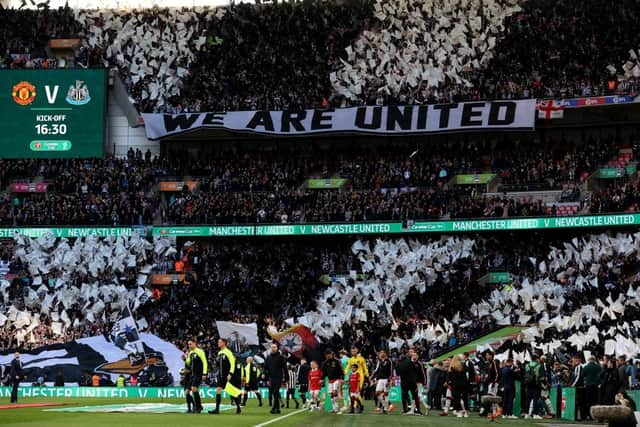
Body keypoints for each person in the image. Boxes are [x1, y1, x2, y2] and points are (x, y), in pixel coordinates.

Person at [209, 338, 240, 414]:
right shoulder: (219, 353)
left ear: (224, 343)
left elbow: (232, 364)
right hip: (220, 375)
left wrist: (230, 373)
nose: (218, 343)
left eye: (219, 342)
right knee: (218, 390)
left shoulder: (228, 352)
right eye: (218, 342)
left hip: (227, 375)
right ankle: (217, 409)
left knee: (232, 392)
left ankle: (238, 407)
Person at [264, 343, 287, 414]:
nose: (273, 348)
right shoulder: (268, 357)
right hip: (271, 378)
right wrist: (267, 379)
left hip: (278, 378)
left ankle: (274, 408)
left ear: (277, 348)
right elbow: (265, 368)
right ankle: (278, 409)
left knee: (276, 392)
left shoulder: (281, 357)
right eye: (272, 347)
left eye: (274, 347)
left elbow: (285, 368)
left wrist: (286, 379)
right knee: (275, 394)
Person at [186, 338, 208, 414]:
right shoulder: (190, 353)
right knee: (187, 392)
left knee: (194, 388)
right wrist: (185, 358)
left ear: (195, 343)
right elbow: (188, 363)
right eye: (188, 344)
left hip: (198, 373)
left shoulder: (200, 351)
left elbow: (205, 362)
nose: (189, 345)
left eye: (190, 344)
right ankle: (195, 405)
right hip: (192, 374)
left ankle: (198, 407)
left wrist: (204, 373)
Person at [396, 351, 422, 416]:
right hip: (412, 381)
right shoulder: (410, 362)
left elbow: (397, 373)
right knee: (415, 396)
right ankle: (418, 411)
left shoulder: (398, 364)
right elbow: (415, 370)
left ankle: (405, 410)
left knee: (404, 396)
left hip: (404, 382)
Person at [348, 347, 369, 411]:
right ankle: (357, 406)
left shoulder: (361, 359)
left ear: (357, 351)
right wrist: (345, 373)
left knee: (357, 392)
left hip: (360, 376)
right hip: (353, 376)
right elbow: (348, 367)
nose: (353, 352)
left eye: (354, 351)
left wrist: (367, 374)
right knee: (352, 393)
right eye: (352, 351)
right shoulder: (350, 359)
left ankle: (355, 406)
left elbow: (365, 367)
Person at [523, 353, 543, 419]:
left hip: (528, 385)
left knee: (527, 400)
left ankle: (526, 414)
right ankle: (535, 414)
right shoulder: (539, 365)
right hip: (536, 385)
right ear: (537, 359)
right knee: (535, 400)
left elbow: (524, 374)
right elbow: (542, 377)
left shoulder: (527, 365)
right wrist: (544, 384)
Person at [583, 356, 602, 420]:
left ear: (589, 360)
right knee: (595, 401)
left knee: (588, 401)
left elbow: (583, 375)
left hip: (588, 386)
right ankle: (594, 415)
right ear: (594, 360)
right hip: (596, 386)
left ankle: (588, 415)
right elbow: (601, 375)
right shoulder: (598, 367)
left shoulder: (586, 367)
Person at [570, 355, 586, 421]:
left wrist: (573, 385)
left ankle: (579, 417)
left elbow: (578, 377)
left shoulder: (579, 367)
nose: (572, 362)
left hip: (579, 387)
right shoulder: (577, 367)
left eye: (573, 360)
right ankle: (579, 416)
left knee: (579, 402)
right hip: (579, 386)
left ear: (577, 360)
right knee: (579, 402)